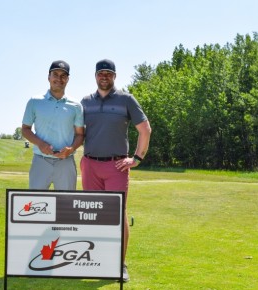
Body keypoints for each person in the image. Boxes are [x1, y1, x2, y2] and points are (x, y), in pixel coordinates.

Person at [80, 59, 152, 282]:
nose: (104, 77)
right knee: (94, 216)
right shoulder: (85, 102)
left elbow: (145, 129)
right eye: (101, 73)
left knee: (117, 216)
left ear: (114, 76)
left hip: (117, 165)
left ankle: (120, 265)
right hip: (90, 164)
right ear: (95, 76)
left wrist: (137, 158)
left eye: (108, 74)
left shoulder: (126, 100)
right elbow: (77, 133)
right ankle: (99, 261)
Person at [22, 60, 84, 190]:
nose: (59, 79)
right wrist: (40, 143)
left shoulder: (76, 106)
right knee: (36, 205)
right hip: (40, 161)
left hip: (65, 163)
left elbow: (80, 134)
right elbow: (25, 130)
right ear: (48, 77)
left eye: (63, 76)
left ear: (68, 79)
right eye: (55, 74)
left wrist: (71, 149)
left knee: (66, 205)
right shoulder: (34, 101)